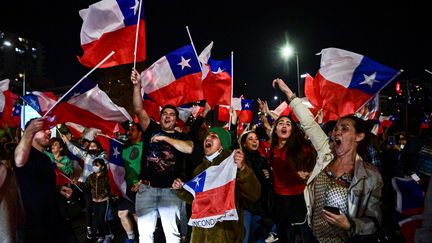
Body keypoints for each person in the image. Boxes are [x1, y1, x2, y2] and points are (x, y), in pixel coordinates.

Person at [273, 78, 383, 243]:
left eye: (344, 129)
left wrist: (351, 224)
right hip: (312, 236)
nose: (336, 132)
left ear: (359, 136)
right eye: (336, 129)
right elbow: (309, 123)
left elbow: (375, 221)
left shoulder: (370, 176)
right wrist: (289, 94)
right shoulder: (326, 153)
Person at [131, 68, 194, 243]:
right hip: (146, 189)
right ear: (159, 118)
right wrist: (137, 86)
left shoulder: (181, 136)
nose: (168, 117)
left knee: (172, 235)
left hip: (170, 192)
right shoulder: (151, 128)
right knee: (145, 235)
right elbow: (138, 109)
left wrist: (166, 137)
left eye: (172, 115)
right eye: (164, 114)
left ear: (176, 119)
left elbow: (189, 149)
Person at [172, 127, 261, 243]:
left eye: (213, 136)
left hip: (224, 234)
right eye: (207, 136)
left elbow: (254, 194)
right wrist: (180, 189)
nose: (208, 138)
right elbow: (196, 199)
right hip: (200, 235)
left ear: (222, 144)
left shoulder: (233, 164)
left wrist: (243, 169)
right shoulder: (200, 169)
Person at [14, 118, 77, 242]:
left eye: (48, 129)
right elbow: (19, 161)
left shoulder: (46, 159)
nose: (49, 132)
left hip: (53, 217)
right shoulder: (26, 154)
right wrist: (28, 131)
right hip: (35, 224)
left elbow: (39, 184)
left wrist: (58, 189)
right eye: (43, 130)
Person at [268, 114, 316, 243]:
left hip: (298, 198)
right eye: (281, 123)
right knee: (284, 233)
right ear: (276, 128)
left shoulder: (303, 149)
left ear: (292, 130)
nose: (284, 125)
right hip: (279, 199)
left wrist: (308, 174)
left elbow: (319, 167)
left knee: (300, 236)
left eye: (288, 124)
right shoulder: (273, 150)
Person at [61, 133, 108, 240]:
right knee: (89, 206)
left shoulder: (103, 156)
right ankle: (89, 228)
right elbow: (75, 150)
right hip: (87, 185)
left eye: (93, 146)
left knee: (97, 209)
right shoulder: (86, 155)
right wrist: (67, 141)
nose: (91, 148)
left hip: (98, 186)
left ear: (99, 147)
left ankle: (101, 230)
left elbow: (105, 167)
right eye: (90, 146)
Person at [239, 130, 272, 243]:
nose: (254, 141)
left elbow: (267, 185)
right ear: (243, 143)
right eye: (250, 139)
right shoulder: (240, 160)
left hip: (260, 206)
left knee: (260, 238)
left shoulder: (262, 160)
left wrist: (269, 175)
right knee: (244, 237)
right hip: (245, 206)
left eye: (256, 138)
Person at [117, 122, 143, 243]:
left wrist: (142, 182)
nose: (129, 132)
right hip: (123, 186)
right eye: (129, 130)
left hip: (137, 186)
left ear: (140, 133)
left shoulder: (144, 146)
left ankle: (144, 237)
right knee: (122, 213)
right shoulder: (122, 146)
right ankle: (131, 237)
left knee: (136, 215)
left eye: (132, 130)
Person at [79, 158, 113, 243]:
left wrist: (110, 195)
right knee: (97, 219)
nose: (94, 167)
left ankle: (108, 235)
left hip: (104, 200)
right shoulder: (91, 177)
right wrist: (79, 183)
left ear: (102, 166)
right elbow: (86, 186)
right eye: (94, 165)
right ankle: (101, 235)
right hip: (95, 201)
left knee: (102, 219)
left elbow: (112, 188)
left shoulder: (107, 176)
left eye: (97, 165)